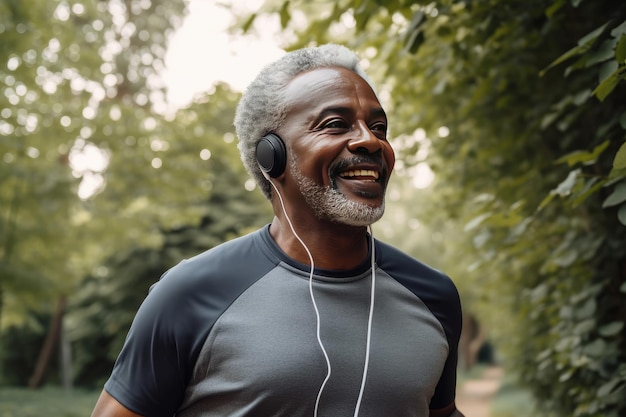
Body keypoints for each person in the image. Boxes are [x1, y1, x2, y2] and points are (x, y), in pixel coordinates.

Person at [91, 43, 465, 417]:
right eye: (336, 124)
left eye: (379, 127)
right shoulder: (190, 293)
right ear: (272, 156)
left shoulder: (434, 296)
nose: (371, 140)